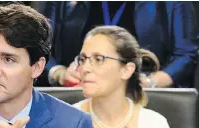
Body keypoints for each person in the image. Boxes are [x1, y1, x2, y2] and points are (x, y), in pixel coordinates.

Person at [38, 1, 198, 88]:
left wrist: (151, 83)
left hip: (144, 94)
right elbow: (39, 47)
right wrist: (59, 73)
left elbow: (186, 54)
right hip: (80, 91)